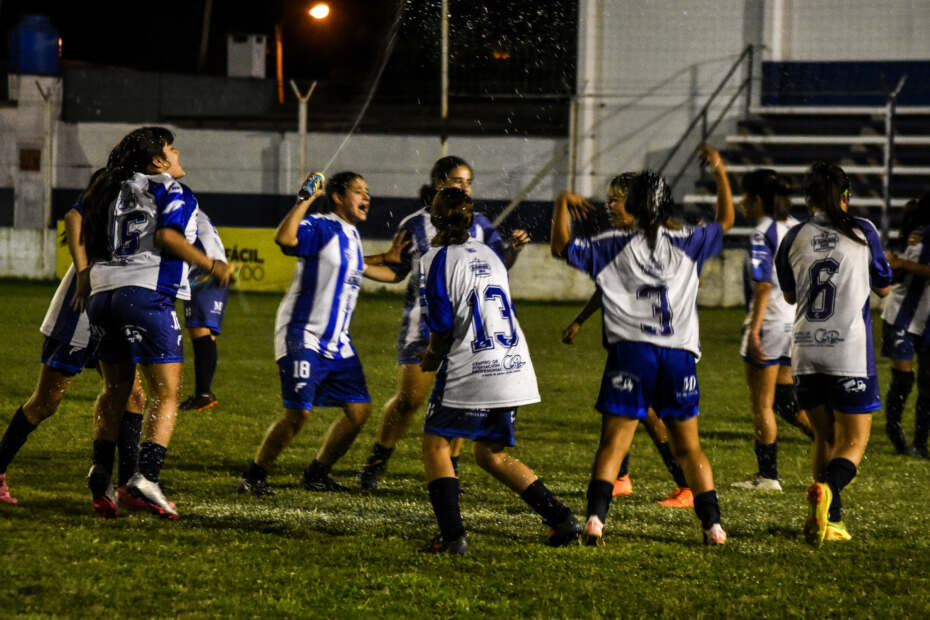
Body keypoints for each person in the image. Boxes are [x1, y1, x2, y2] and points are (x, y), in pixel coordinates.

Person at [550, 146, 734, 546]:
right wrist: (719, 171)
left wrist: (562, 204)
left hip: (632, 351)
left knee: (614, 443)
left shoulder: (613, 244)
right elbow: (727, 220)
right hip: (679, 354)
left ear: (632, 206)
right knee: (690, 447)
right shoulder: (689, 241)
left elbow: (561, 247)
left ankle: (596, 521)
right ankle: (713, 526)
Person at [418, 187, 581, 553]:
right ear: (471, 219)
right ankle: (561, 518)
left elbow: (442, 327)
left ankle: (452, 536)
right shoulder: (490, 253)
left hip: (473, 367)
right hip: (512, 363)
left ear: (435, 220)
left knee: (436, 444)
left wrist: (430, 356)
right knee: (490, 453)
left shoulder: (435, 259)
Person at [82, 126, 234, 518]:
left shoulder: (110, 188)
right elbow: (168, 236)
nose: (178, 153)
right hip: (147, 294)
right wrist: (211, 265)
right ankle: (145, 477)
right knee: (165, 393)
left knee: (116, 389)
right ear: (157, 161)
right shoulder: (169, 188)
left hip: (102, 294)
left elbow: (90, 241)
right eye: (171, 148)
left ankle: (101, 467)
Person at [357, 155, 529, 490]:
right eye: (457, 181)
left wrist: (513, 249)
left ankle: (450, 468)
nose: (464, 187)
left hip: (463, 330)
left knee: (459, 401)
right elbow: (398, 270)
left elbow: (499, 265)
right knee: (409, 400)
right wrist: (356, 265)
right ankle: (378, 460)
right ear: (439, 184)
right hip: (422, 326)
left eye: (468, 182)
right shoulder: (415, 224)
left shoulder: (480, 225)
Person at [239, 171, 405, 496]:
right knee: (298, 413)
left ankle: (316, 473)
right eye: (358, 191)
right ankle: (253, 476)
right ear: (339, 197)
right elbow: (285, 239)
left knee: (359, 412)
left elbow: (374, 271)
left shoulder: (352, 236)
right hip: (304, 335)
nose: (366, 197)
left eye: (367, 191)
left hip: (337, 343)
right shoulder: (322, 225)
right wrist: (305, 199)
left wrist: (394, 261)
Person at [0, 187, 147, 513]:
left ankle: (125, 486)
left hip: (113, 308)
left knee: (132, 395)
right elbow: (74, 217)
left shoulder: (154, 193)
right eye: (169, 148)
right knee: (45, 403)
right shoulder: (118, 183)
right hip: (80, 309)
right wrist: (83, 273)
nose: (176, 154)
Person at [774, 161, 892, 546]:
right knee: (854, 443)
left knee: (823, 437)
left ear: (808, 199)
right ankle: (828, 491)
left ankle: (832, 521)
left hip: (805, 351)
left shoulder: (793, 236)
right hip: (849, 352)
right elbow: (885, 287)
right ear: (845, 198)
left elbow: (791, 295)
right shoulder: (863, 231)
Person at [560, 175, 692, 509]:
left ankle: (686, 484)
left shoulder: (648, 243)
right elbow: (606, 287)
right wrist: (580, 320)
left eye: (614, 201)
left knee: (647, 414)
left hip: (648, 345)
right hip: (632, 343)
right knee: (617, 413)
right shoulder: (630, 241)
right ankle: (620, 476)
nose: (609, 208)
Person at [731, 169, 814, 492]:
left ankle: (767, 476)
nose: (741, 203)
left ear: (755, 199)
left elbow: (763, 285)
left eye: (744, 196)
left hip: (769, 323)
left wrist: (754, 332)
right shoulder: (798, 227)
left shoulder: (762, 232)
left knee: (761, 404)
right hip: (794, 321)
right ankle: (832, 445)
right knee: (784, 401)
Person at [880, 193, 930, 457]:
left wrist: (901, 262)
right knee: (904, 376)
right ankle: (896, 434)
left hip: (925, 316)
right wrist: (896, 262)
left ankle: (921, 442)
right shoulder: (921, 233)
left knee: (926, 380)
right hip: (901, 313)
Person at [179, 208, 230, 412]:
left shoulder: (179, 207)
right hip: (212, 265)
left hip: (206, 267)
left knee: (200, 332)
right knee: (205, 335)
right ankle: (203, 393)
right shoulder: (194, 211)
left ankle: (203, 394)